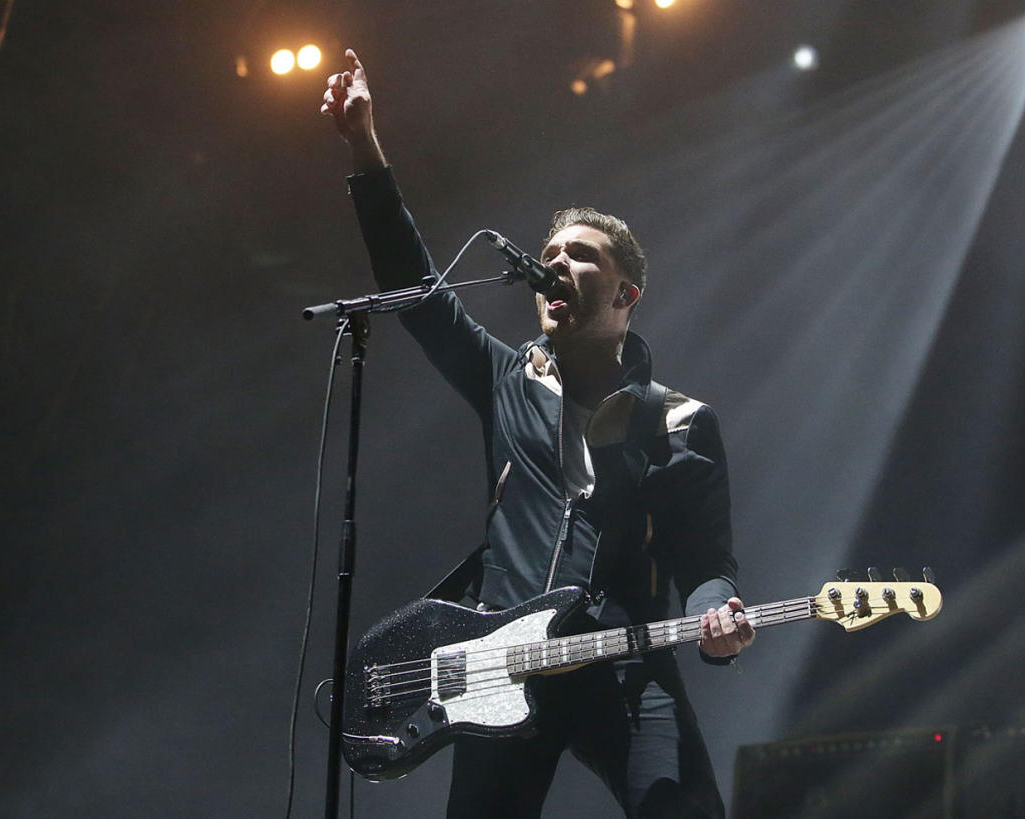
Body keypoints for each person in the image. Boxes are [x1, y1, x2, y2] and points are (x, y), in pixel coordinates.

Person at [322, 49, 755, 818]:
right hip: (501, 663)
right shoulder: (507, 379)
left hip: (623, 662)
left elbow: (707, 562)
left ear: (626, 293)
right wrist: (365, 146)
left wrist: (722, 612)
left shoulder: (680, 420)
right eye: (549, 253)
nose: (555, 264)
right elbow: (417, 291)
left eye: (579, 256)